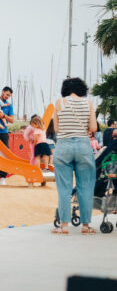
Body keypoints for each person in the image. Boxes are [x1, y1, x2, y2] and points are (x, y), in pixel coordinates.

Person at [52, 77, 97, 235]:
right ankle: (86, 226)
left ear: (65, 89)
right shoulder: (88, 103)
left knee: (64, 188)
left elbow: (56, 128)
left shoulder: (60, 103)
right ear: (82, 89)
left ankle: (64, 226)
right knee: (85, 186)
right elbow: (93, 127)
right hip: (83, 146)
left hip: (63, 146)